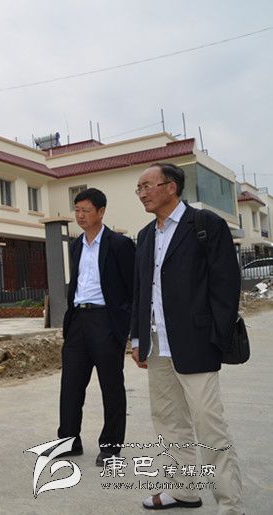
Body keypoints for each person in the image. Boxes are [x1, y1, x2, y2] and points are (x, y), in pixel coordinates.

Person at [131, 163, 242, 513]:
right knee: (169, 422)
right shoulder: (145, 236)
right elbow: (140, 290)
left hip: (197, 343)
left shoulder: (205, 225)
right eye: (139, 188)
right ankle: (183, 491)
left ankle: (230, 504)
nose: (142, 193)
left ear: (171, 187)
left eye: (147, 186)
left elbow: (226, 284)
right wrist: (137, 338)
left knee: (210, 426)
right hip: (157, 344)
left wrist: (217, 336)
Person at [57, 188, 135, 466]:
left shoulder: (119, 245)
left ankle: (111, 447)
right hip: (79, 320)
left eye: (86, 210)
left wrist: (125, 327)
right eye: (77, 210)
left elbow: (132, 288)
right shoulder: (76, 245)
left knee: (111, 387)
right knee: (71, 385)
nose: (80, 215)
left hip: (106, 321)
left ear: (101, 212)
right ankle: (69, 441)